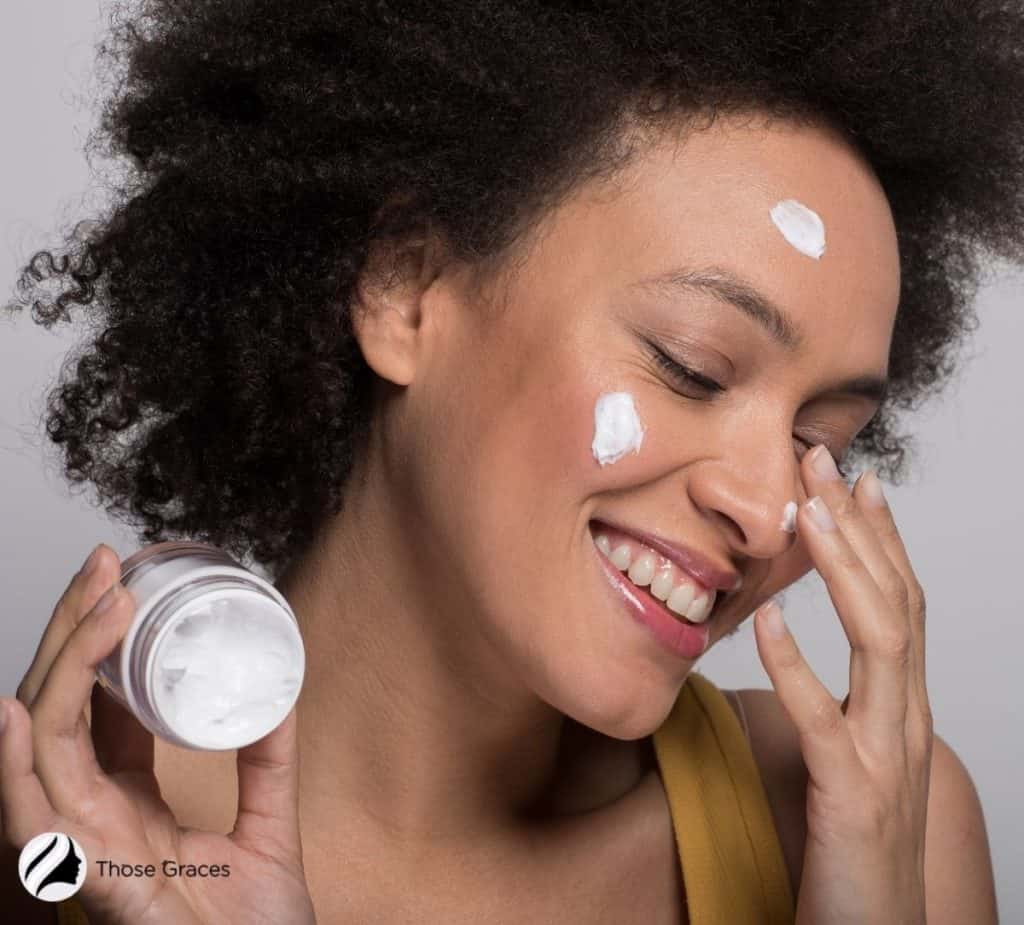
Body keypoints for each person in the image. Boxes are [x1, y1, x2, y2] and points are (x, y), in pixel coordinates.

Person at [0, 1, 1016, 922]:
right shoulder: (68, 846)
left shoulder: (877, 832)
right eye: (691, 366)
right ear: (407, 287)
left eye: (818, 441)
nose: (765, 510)